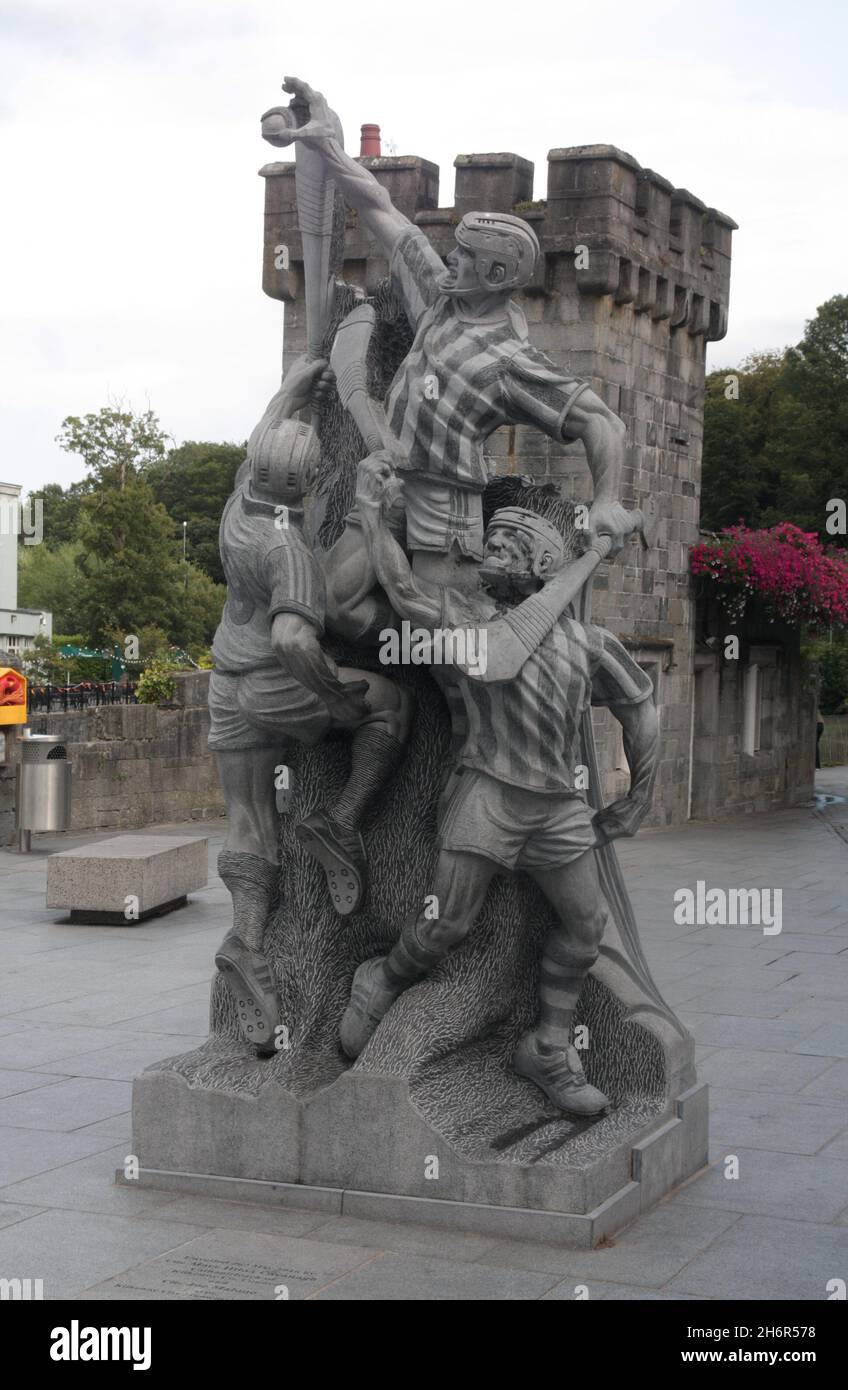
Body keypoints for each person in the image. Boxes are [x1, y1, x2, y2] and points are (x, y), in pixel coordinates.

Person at [337, 454, 659, 1114]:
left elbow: (641, 707)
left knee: (587, 925)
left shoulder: (588, 644)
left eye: (514, 542)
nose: (495, 547)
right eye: (496, 536)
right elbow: (404, 592)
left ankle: (546, 1044)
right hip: (484, 793)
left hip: (558, 808)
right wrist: (371, 517)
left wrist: (641, 792)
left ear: (547, 568)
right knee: (446, 924)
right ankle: (381, 979)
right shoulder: (469, 624)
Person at [263, 78, 633, 590]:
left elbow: (602, 422)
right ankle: (378, 664)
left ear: (497, 277)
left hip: (445, 506)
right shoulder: (441, 295)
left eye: (465, 256)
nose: (451, 259)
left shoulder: (510, 360)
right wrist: (327, 145)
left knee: (442, 642)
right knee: (332, 601)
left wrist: (607, 500)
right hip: (386, 480)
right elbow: (378, 208)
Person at [208, 357, 411, 1053]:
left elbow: (266, 430)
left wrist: (296, 386)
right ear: (314, 482)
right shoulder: (288, 550)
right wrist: (333, 695)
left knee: (248, 816)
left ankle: (249, 941)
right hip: (274, 681)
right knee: (386, 709)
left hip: (225, 683)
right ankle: (342, 821)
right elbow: (296, 636)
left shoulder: (239, 508)